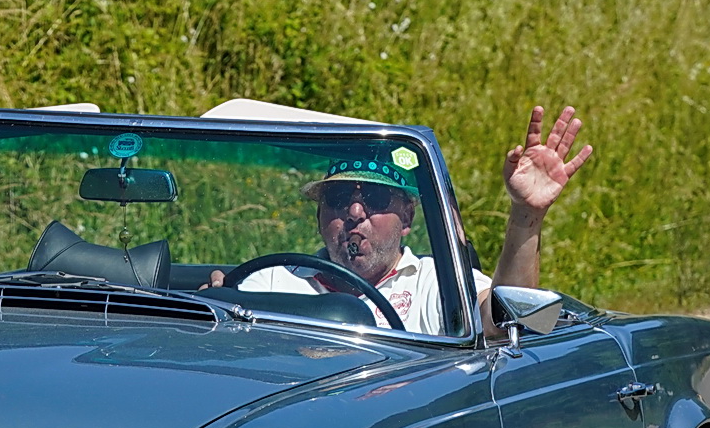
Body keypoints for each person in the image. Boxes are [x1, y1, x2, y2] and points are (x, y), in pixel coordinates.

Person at [205, 106, 592, 335]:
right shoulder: (275, 280)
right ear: (320, 216)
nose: (355, 213)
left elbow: (505, 321)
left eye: (374, 199)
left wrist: (526, 214)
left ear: (406, 218)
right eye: (339, 198)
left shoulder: (435, 283)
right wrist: (214, 304)